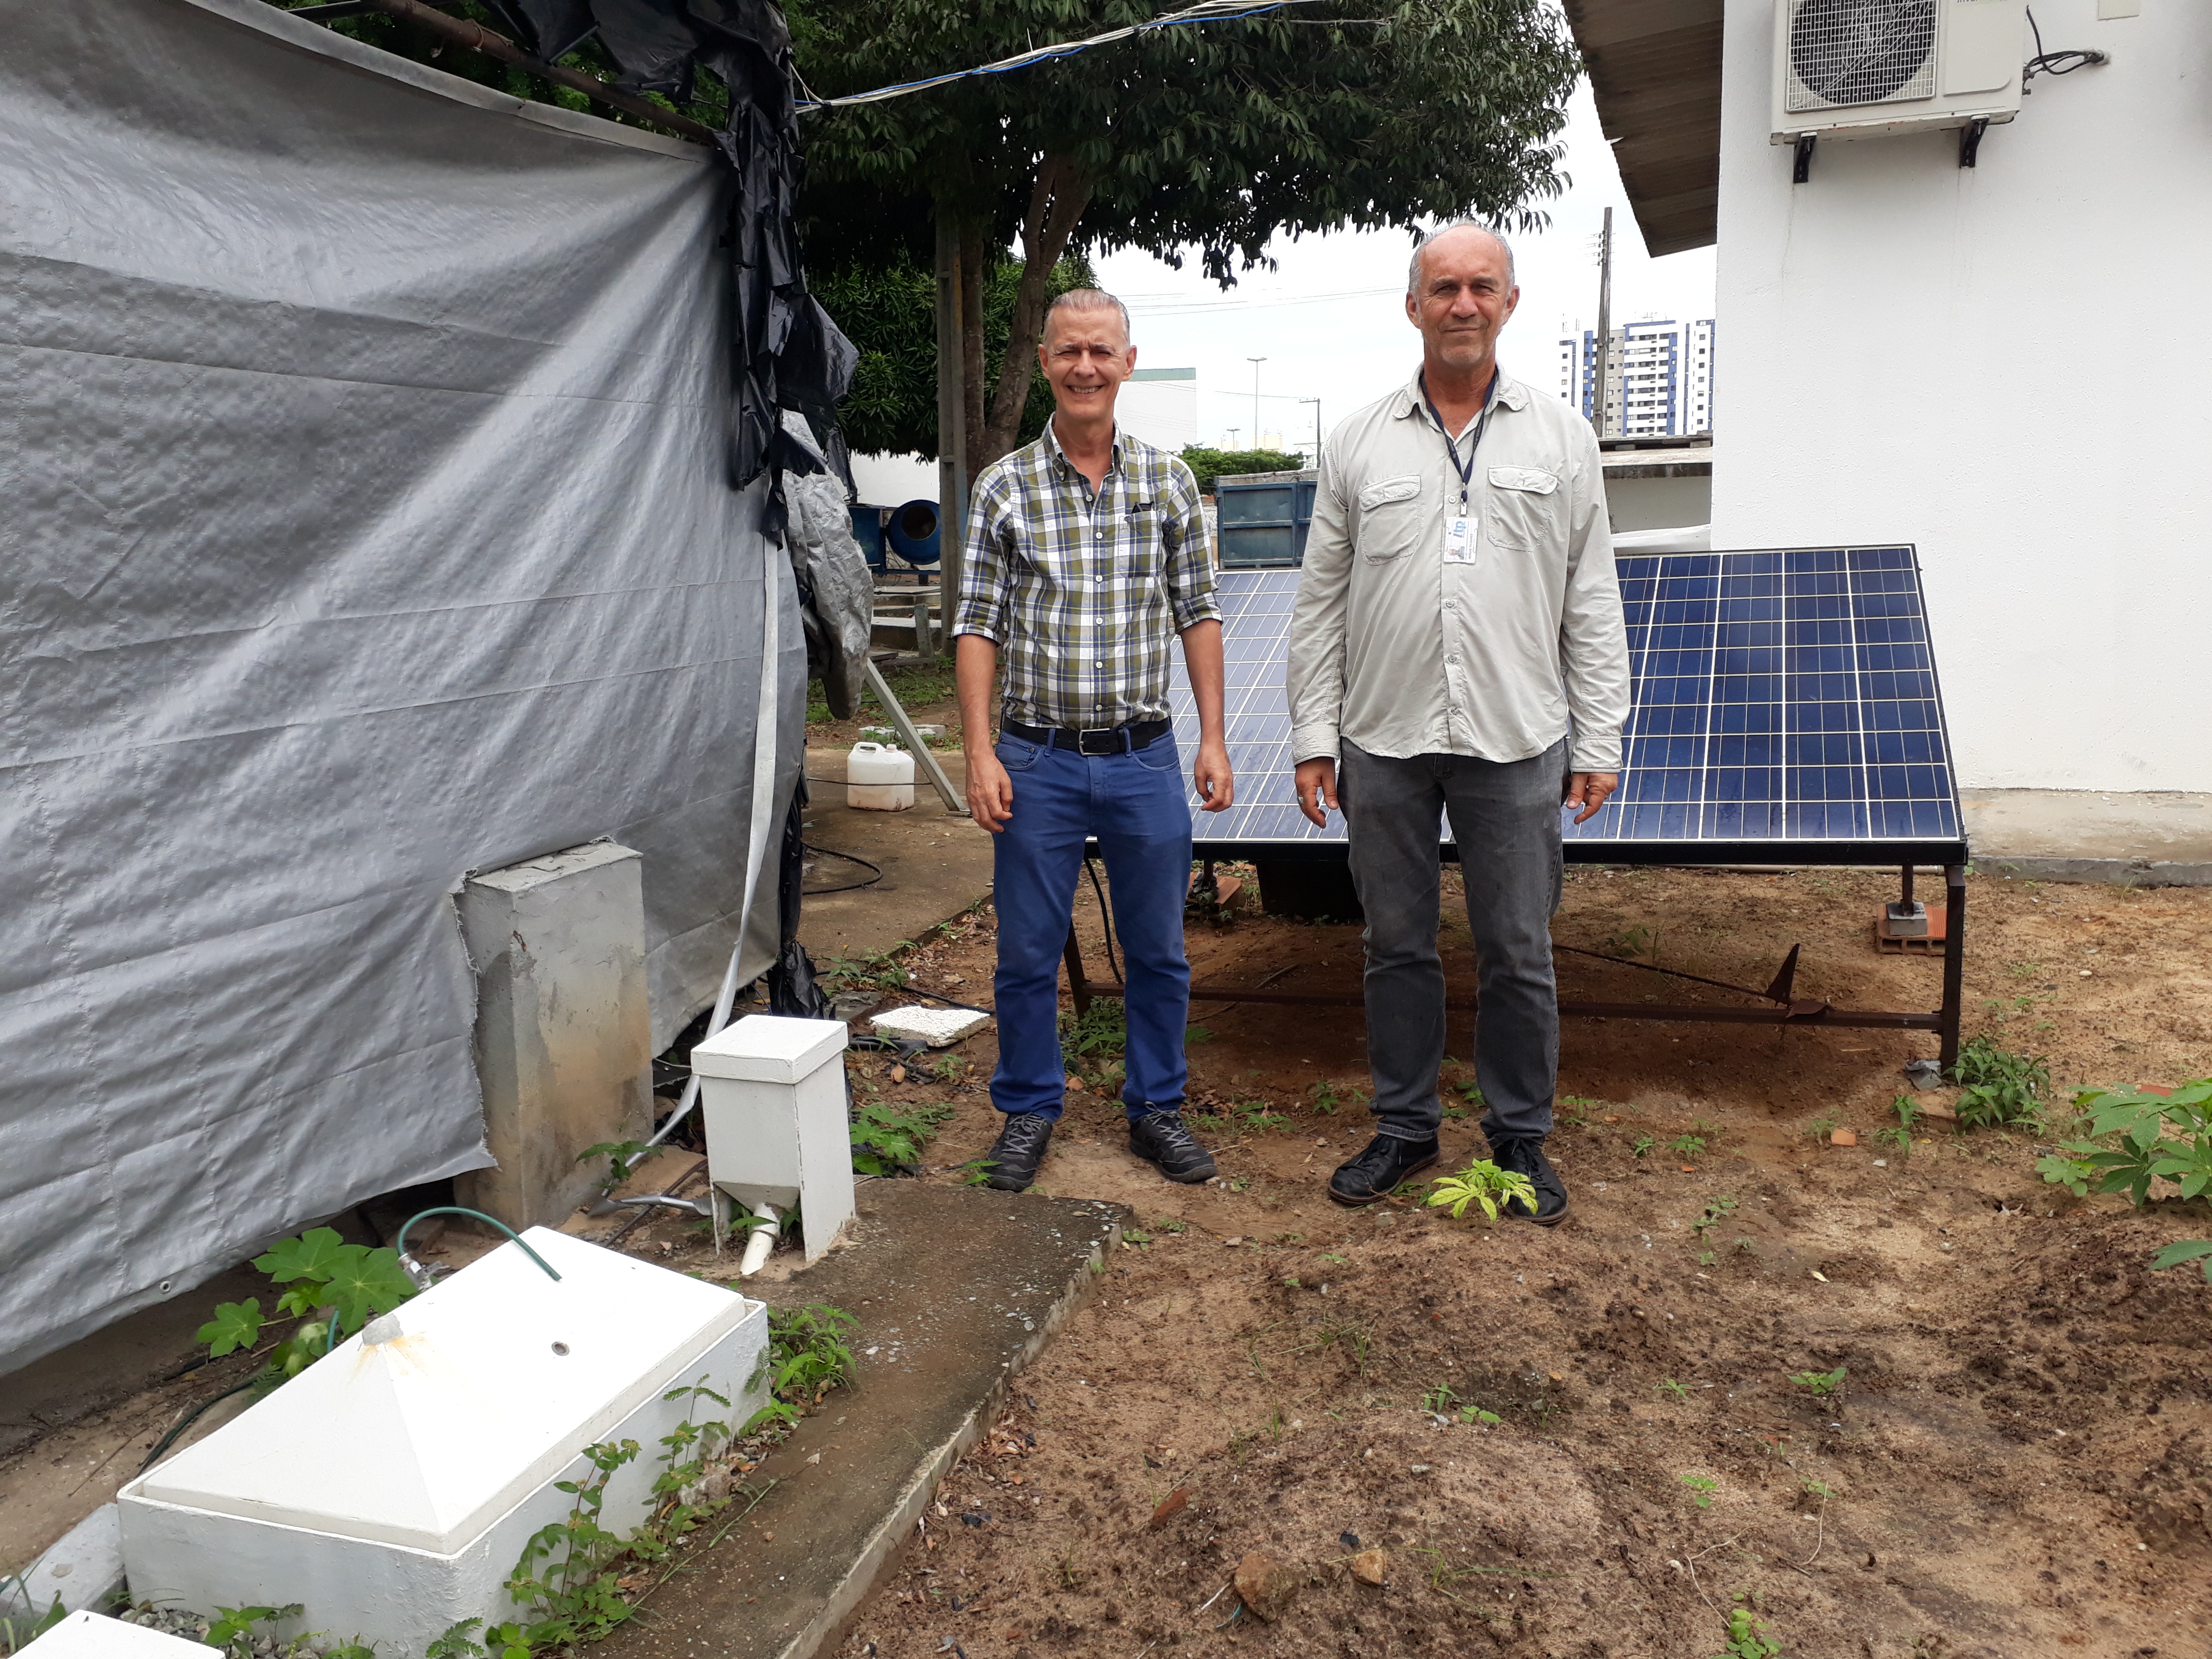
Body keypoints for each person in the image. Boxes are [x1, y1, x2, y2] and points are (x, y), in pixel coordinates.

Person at [1285, 222, 1631, 1221]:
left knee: (1518, 947)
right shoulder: (1356, 441)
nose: (1463, 304)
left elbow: (1591, 598)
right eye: (1444, 288)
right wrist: (1315, 736)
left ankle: (1520, 1138)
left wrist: (1598, 737)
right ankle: (1404, 1127)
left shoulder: (1564, 440)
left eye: (1483, 286)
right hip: (1381, 739)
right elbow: (1321, 600)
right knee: (1395, 944)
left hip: (1521, 739)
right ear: (1414, 306)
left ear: (1511, 302)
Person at [952, 288, 1235, 1193]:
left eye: (1100, 352)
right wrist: (979, 752)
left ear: (1127, 361)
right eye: (1068, 351)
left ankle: (1156, 1109)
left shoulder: (1170, 484)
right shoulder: (1004, 488)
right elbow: (977, 625)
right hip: (1034, 759)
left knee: (1159, 950)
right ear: (1045, 362)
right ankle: (1030, 1111)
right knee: (1028, 952)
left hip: (1145, 757)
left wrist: (1214, 738)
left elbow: (1198, 612)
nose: (1084, 367)